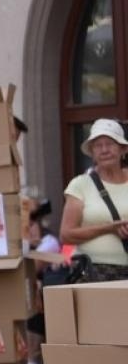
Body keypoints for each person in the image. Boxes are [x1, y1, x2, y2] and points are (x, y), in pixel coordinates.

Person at [61, 118, 128, 283]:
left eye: (110, 144)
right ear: (92, 153)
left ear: (122, 149)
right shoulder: (80, 184)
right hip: (93, 272)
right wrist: (109, 228)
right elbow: (66, 235)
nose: (104, 150)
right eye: (98, 145)